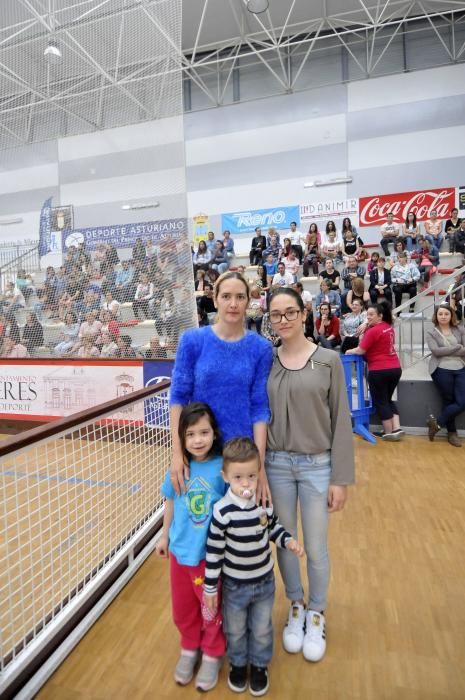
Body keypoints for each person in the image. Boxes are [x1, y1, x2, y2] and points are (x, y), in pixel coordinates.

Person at [264, 287, 354, 664]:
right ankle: (296, 605)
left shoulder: (329, 360)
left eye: (289, 313)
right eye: (275, 314)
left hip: (318, 467)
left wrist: (340, 478)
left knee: (316, 548)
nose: (283, 320)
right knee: (285, 542)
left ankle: (317, 612)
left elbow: (341, 420)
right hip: (276, 466)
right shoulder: (265, 361)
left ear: (304, 314)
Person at [204, 438, 304, 696]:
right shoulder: (222, 512)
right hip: (235, 586)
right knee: (235, 630)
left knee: (261, 629)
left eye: (251, 475)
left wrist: (289, 540)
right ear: (225, 476)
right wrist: (210, 588)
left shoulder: (263, 505)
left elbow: (273, 529)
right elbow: (214, 553)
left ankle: (259, 666)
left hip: (264, 583)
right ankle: (238, 665)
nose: (246, 483)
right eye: (238, 477)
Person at [169, 271, 273, 501]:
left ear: (248, 300)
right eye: (226, 296)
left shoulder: (260, 348)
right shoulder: (192, 341)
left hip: (241, 461)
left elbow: (259, 408)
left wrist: (259, 466)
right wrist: (177, 453)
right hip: (200, 457)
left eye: (240, 297)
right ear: (215, 299)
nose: (233, 304)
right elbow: (178, 398)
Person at [156, 402, 226, 691]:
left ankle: (212, 652)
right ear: (181, 439)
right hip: (179, 554)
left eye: (204, 432)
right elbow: (169, 501)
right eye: (191, 434)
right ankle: (189, 646)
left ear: (214, 433)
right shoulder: (178, 467)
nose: (198, 440)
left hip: (208, 557)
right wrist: (163, 536)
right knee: (183, 608)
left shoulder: (222, 468)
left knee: (210, 608)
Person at [347, 301, 403, 440]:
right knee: (388, 399)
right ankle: (397, 428)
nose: (368, 317)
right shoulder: (388, 327)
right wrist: (366, 323)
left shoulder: (373, 331)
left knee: (381, 401)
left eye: (371, 315)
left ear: (380, 316)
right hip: (395, 368)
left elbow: (361, 350)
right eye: (367, 315)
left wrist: (349, 351)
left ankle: (388, 432)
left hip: (379, 370)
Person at [425, 304, 465, 448]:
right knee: (448, 400)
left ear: (451, 315)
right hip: (441, 369)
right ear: (436, 316)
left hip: (460, 367)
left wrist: (448, 350)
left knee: (462, 402)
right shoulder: (431, 332)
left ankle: (436, 423)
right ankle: (452, 433)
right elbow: (436, 351)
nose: (443, 316)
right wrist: (457, 348)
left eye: (446, 314)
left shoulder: (460, 329)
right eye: (440, 314)